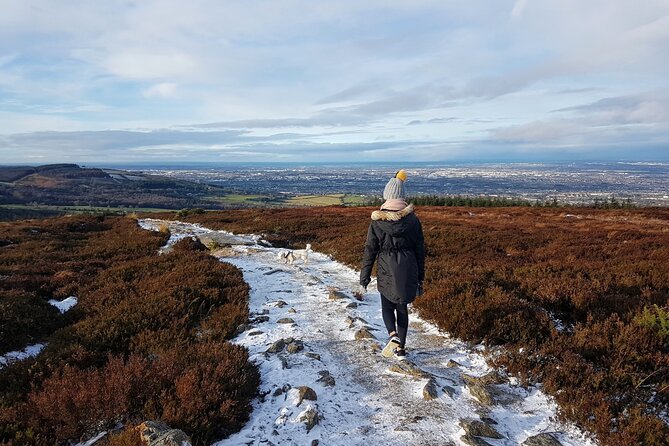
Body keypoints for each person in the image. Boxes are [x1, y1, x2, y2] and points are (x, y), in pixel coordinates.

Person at [360, 169, 425, 360]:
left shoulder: (377, 221)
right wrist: (421, 277)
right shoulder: (413, 221)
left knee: (387, 306)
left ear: (386, 196)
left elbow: (370, 250)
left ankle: (392, 336)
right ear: (402, 197)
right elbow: (420, 251)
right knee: (402, 308)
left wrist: (364, 277)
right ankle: (401, 349)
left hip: (386, 268)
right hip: (409, 269)